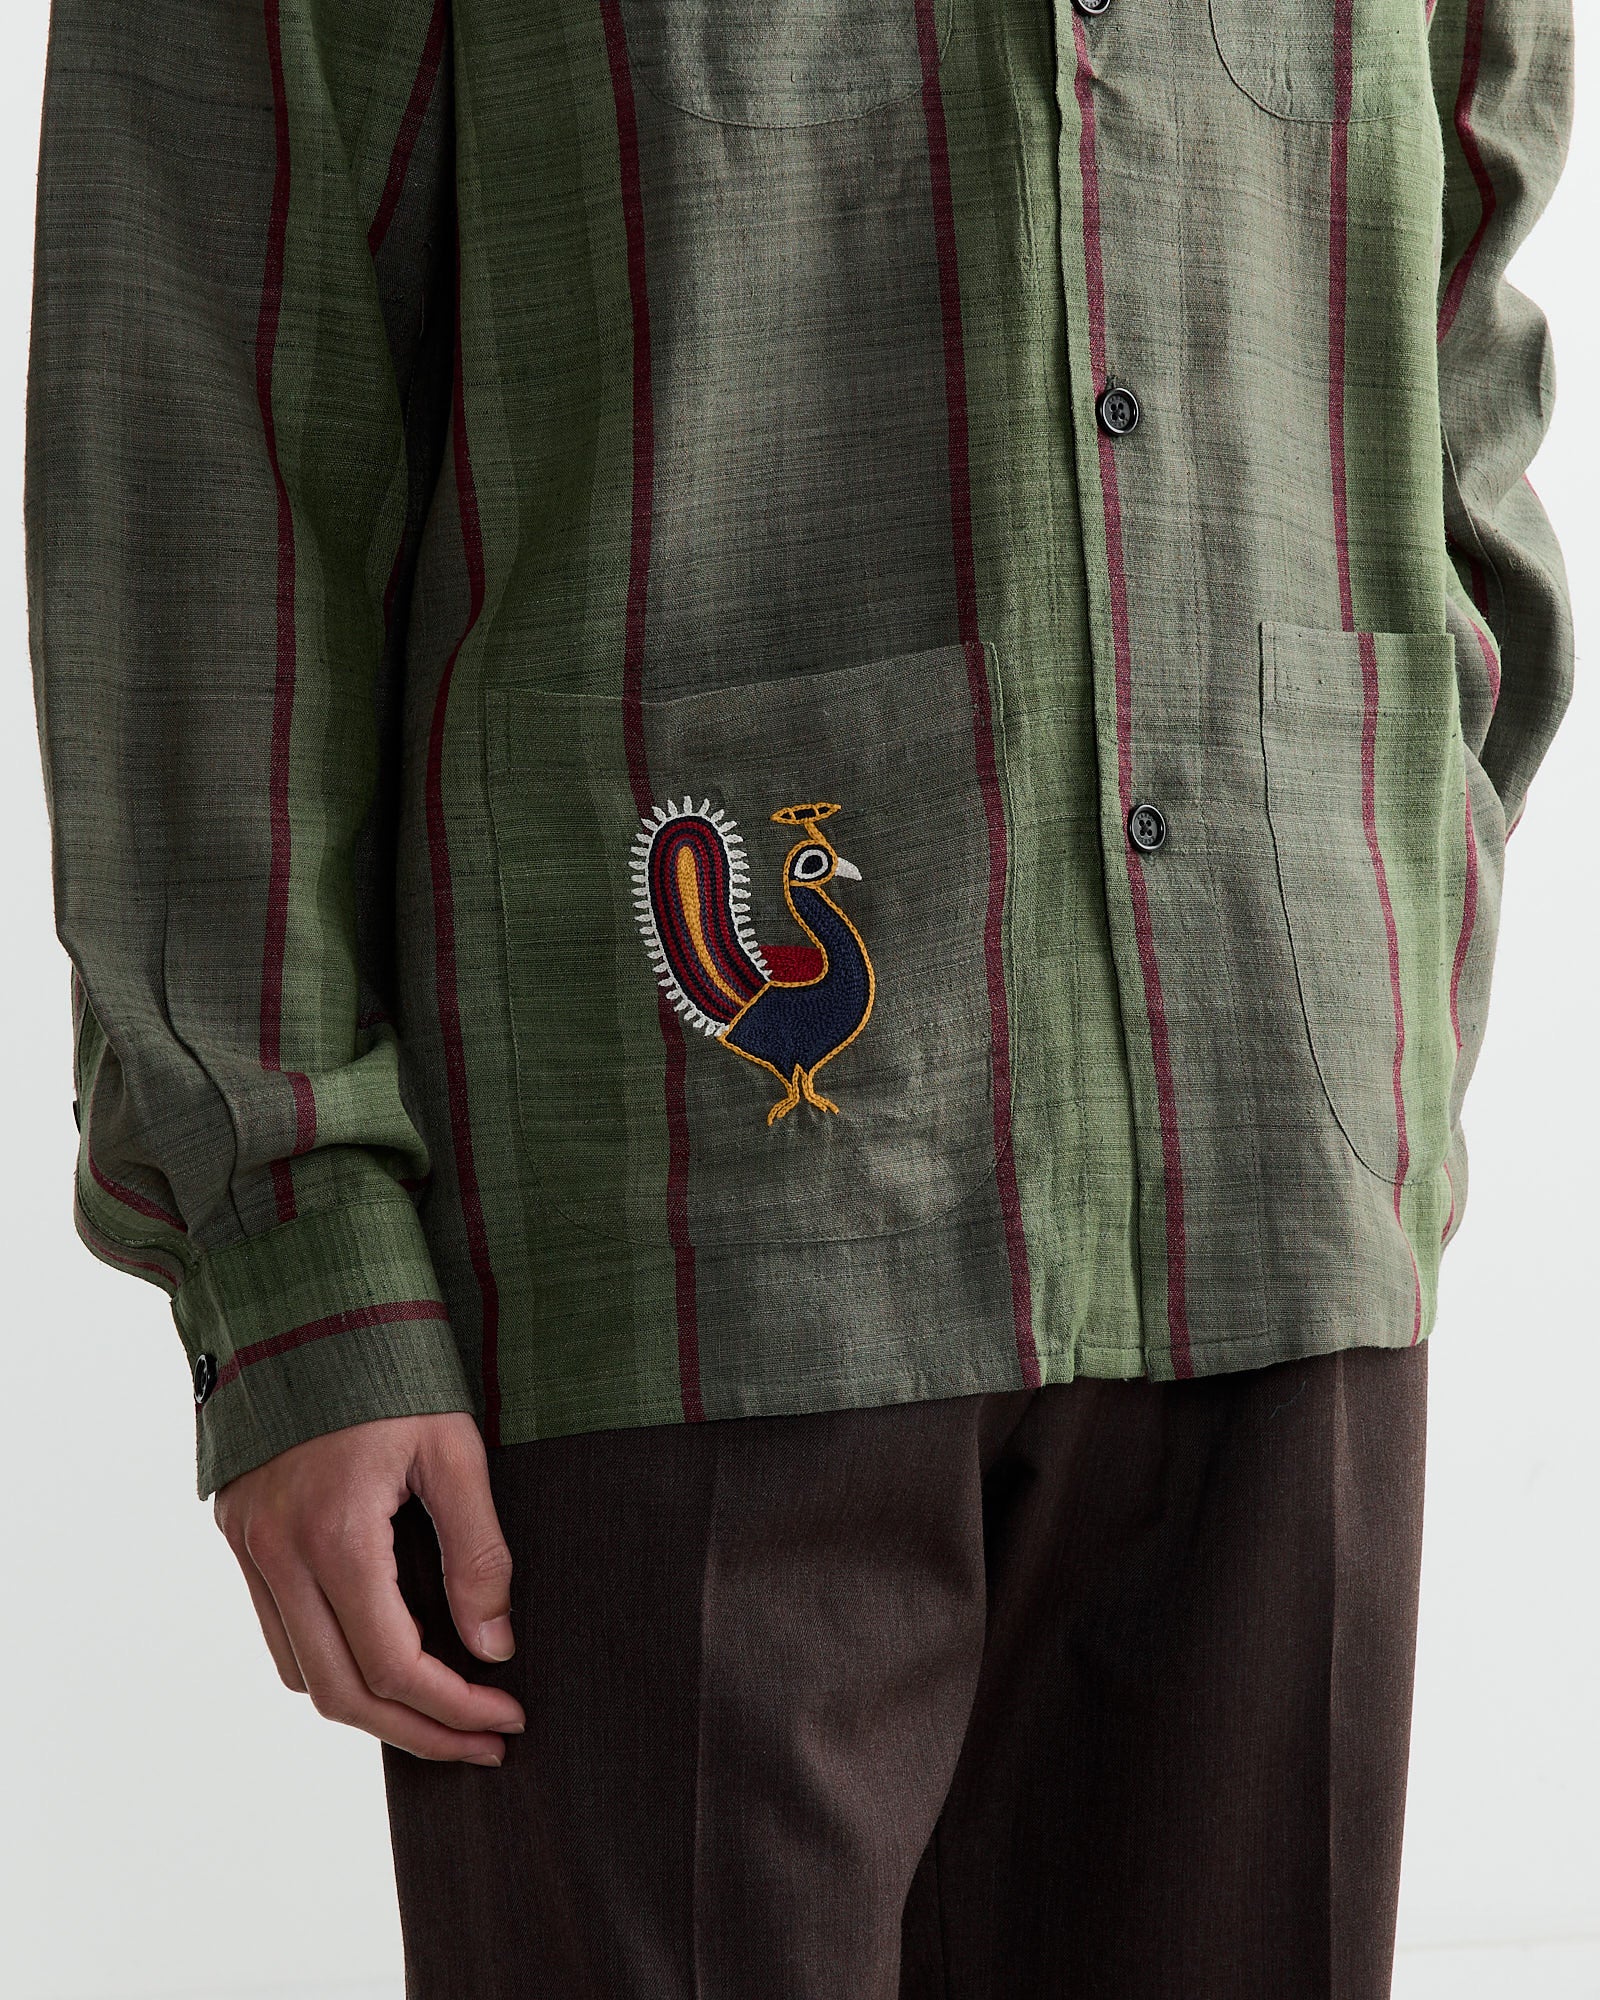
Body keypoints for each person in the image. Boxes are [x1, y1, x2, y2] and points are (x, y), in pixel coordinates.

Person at [27, 1, 1574, 1993]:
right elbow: (196, 399)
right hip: (667, 1229)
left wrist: (1391, 899)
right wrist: (290, 1247)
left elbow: (1458, 293)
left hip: (1273, 1181)